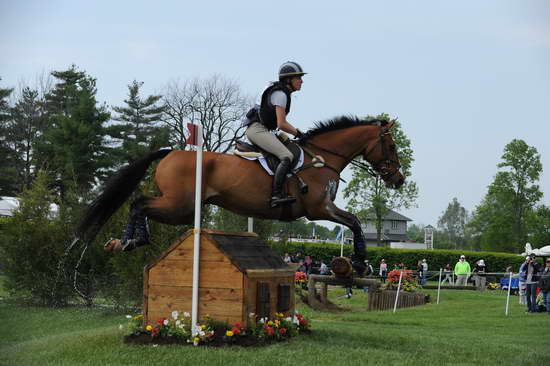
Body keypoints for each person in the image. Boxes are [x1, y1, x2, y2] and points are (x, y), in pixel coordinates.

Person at [243, 61, 307, 208]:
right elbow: (282, 124)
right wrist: (299, 133)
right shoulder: (280, 94)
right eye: (298, 78)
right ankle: (276, 195)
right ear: (288, 80)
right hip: (257, 129)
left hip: (264, 129)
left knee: (290, 147)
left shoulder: (281, 92)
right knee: (287, 156)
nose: (301, 81)